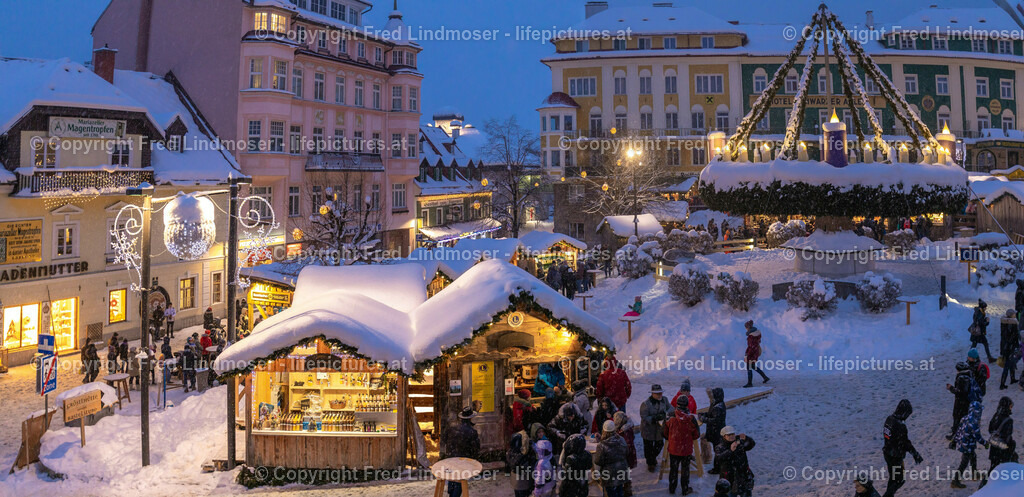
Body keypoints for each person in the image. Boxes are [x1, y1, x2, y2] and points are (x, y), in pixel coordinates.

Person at [881, 399, 922, 497]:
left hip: (887, 453)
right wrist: (915, 454)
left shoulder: (889, 419)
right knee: (899, 480)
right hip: (896, 456)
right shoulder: (900, 426)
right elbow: (905, 443)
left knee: (893, 478)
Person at [663, 397, 700, 495]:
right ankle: (685, 489)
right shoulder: (691, 419)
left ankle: (672, 488)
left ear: (677, 404)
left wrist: (672, 438)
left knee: (673, 469)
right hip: (686, 449)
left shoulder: (670, 417)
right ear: (687, 405)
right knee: (685, 469)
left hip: (674, 449)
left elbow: (664, 433)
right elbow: (696, 435)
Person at [951, 401, 988, 489]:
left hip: (963, 443)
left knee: (973, 456)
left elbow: (958, 430)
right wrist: (985, 443)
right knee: (964, 462)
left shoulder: (965, 418)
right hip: (967, 446)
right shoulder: (974, 422)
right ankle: (955, 480)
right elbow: (977, 436)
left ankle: (974, 473)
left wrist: (955, 440)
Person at [445, 407, 481, 497]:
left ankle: (451, 493)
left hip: (451, 457)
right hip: (463, 460)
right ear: (471, 418)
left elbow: (445, 440)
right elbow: (476, 448)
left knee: (452, 477)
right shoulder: (472, 432)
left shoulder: (452, 428)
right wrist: (473, 460)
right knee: (459, 481)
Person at [983, 397, 1016, 488]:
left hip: (994, 446)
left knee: (993, 468)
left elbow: (990, 430)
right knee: (1004, 469)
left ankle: (984, 485)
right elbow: (1007, 437)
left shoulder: (996, 415)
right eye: (1010, 406)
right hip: (1002, 449)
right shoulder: (1008, 420)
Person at [639, 384, 672, 472]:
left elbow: (671, 408)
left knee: (659, 444)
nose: (659, 395)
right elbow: (644, 417)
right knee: (648, 447)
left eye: (660, 393)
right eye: (657, 393)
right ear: (652, 394)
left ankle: (652, 458)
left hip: (659, 429)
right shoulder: (645, 404)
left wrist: (665, 414)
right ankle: (650, 463)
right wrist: (654, 418)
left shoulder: (664, 400)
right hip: (648, 429)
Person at [594, 420, 630, 497]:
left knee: (611, 493)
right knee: (619, 490)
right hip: (621, 470)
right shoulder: (621, 439)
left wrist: (597, 473)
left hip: (609, 475)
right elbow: (627, 452)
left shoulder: (602, 445)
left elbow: (598, 461)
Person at [718, 426, 756, 497]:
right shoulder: (720, 447)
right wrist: (730, 451)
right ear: (724, 436)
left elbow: (751, 445)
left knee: (746, 494)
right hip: (730, 478)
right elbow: (720, 459)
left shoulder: (739, 443)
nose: (731, 436)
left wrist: (746, 438)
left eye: (733, 434)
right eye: (729, 435)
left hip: (743, 475)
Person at [947, 361, 980, 441]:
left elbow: (960, 392)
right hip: (967, 401)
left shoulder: (962, 378)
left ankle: (955, 434)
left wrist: (951, 388)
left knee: (957, 417)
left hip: (961, 402)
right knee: (964, 417)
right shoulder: (969, 374)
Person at [700, 388, 727, 475]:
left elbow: (714, 420)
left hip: (716, 432)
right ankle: (718, 467)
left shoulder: (717, 407)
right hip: (717, 431)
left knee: (717, 450)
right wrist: (704, 414)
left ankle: (717, 468)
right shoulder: (717, 404)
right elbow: (711, 414)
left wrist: (703, 419)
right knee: (718, 449)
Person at [509, 426, 537, 497]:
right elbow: (530, 466)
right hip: (523, 480)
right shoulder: (524, 453)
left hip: (517, 480)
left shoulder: (512, 452)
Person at [613, 411, 637, 490]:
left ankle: (627, 489)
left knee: (625, 472)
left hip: (625, 455)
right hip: (624, 454)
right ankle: (626, 487)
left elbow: (628, 444)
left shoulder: (626, 431)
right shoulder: (622, 429)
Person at [743, 320, 770, 387]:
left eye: (746, 327)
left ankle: (750, 383)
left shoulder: (751, 336)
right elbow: (756, 344)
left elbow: (751, 347)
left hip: (751, 353)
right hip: (755, 352)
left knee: (749, 367)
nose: (746, 329)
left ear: (748, 328)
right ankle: (765, 377)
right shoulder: (756, 334)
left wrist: (747, 355)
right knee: (752, 366)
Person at [1001, 309, 1021, 389]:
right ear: (1011, 315)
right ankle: (1002, 384)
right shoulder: (1013, 324)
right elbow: (1013, 337)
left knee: (1012, 363)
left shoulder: (1004, 323)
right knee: (1007, 365)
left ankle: (1012, 379)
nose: (1015, 315)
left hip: (1006, 347)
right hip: (1010, 347)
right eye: (1014, 314)